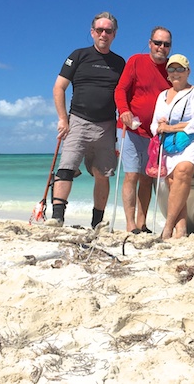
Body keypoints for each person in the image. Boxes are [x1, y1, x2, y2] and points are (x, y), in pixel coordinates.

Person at [46, 12, 126, 228]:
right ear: (92, 32)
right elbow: (59, 87)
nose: (103, 34)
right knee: (66, 168)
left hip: (107, 126)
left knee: (103, 173)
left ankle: (97, 222)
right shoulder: (78, 55)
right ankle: (57, 217)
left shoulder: (119, 63)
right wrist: (63, 118)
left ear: (114, 34)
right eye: (99, 30)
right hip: (78, 121)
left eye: (108, 31)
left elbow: (125, 94)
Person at [115, 27, 172, 234]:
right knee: (131, 175)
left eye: (166, 44)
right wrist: (124, 111)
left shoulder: (172, 69)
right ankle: (130, 224)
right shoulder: (136, 60)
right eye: (158, 43)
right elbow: (120, 89)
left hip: (156, 134)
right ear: (150, 43)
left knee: (147, 178)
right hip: (131, 129)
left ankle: (142, 223)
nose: (161, 47)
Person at [150, 54, 194, 239]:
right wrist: (161, 126)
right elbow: (154, 125)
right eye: (171, 69)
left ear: (188, 71)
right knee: (171, 180)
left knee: (183, 170)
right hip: (171, 145)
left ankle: (168, 227)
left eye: (180, 69)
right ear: (167, 73)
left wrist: (170, 127)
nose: (175, 73)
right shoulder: (162, 96)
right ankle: (182, 228)